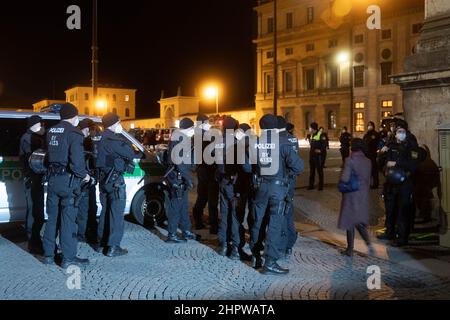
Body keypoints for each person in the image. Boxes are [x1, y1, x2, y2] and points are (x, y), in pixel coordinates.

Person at [248, 114, 303, 275]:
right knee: (274, 224)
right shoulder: (283, 142)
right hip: (277, 188)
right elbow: (298, 167)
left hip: (260, 187)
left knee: (257, 221)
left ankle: (255, 255)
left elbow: (246, 166)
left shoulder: (255, 142)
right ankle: (270, 262)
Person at [42, 103, 91, 268]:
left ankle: (48, 255)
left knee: (52, 218)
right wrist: (84, 175)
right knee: (69, 220)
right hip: (68, 181)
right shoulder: (74, 133)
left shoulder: (51, 131)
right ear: (74, 116)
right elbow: (76, 161)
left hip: (53, 179)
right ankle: (68, 258)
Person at [96, 113, 141, 257]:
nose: (120, 125)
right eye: (119, 122)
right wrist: (124, 135)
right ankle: (113, 247)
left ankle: (101, 242)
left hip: (104, 180)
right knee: (116, 214)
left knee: (105, 211)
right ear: (114, 124)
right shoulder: (113, 139)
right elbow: (131, 153)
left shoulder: (101, 138)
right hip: (115, 181)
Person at [377, 121, 420, 246]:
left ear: (406, 133)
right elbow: (381, 162)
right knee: (390, 209)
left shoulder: (412, 146)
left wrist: (397, 164)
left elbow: (414, 165)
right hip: (391, 183)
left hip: (404, 183)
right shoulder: (391, 145)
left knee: (402, 210)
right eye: (398, 131)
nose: (400, 134)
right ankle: (389, 232)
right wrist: (382, 153)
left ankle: (402, 238)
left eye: (402, 131)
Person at [338, 138, 374, 257]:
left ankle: (350, 249)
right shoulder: (368, 161)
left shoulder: (350, 160)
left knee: (350, 222)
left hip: (351, 194)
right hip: (363, 194)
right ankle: (368, 244)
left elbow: (345, 178)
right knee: (358, 221)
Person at [164, 118, 197, 243]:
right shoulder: (180, 139)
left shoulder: (179, 137)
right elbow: (179, 163)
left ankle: (186, 230)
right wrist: (188, 179)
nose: (193, 130)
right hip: (178, 177)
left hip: (179, 176)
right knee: (176, 206)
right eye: (192, 128)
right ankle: (171, 234)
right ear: (188, 129)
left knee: (183, 205)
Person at [277, 116, 303, 258]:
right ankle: (288, 243)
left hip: (280, 180)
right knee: (288, 210)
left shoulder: (279, 140)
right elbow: (297, 164)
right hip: (290, 179)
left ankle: (283, 243)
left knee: (279, 213)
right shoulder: (292, 139)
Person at [20, 115, 46, 255]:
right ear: (34, 125)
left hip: (34, 179)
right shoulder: (29, 138)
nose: (42, 126)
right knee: (35, 211)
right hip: (32, 179)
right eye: (40, 124)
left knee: (35, 211)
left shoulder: (31, 137)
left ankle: (34, 239)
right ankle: (33, 242)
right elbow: (34, 157)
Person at [216, 116, 241, 260]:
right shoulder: (236, 142)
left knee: (224, 214)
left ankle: (224, 245)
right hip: (233, 183)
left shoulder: (218, 141)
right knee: (235, 216)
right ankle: (235, 250)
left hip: (222, 181)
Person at [192, 114, 219, 234]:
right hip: (209, 171)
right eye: (207, 122)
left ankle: (198, 221)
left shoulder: (195, 135)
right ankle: (214, 226)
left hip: (201, 170)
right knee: (212, 200)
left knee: (202, 196)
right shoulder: (206, 136)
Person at [76, 119, 99, 243]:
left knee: (91, 206)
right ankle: (82, 233)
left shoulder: (88, 140)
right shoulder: (80, 140)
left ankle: (89, 230)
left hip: (90, 179)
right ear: (87, 129)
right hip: (84, 179)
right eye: (92, 129)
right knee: (83, 208)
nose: (93, 132)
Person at [235, 123, 254, 260]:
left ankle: (240, 242)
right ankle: (254, 239)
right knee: (252, 214)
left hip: (242, 184)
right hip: (251, 184)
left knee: (239, 215)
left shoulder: (239, 144)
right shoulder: (254, 142)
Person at [308, 122, 326, 191]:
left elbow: (324, 144)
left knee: (319, 171)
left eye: (310, 127)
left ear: (313, 128)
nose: (309, 129)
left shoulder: (321, 134)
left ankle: (320, 186)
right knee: (312, 171)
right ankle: (311, 185)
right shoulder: (312, 135)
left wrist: (320, 150)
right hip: (312, 155)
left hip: (318, 156)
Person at [363, 121, 381, 189]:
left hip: (373, 154)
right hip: (366, 154)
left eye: (371, 125)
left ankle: (375, 184)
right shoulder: (366, 135)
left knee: (374, 170)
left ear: (373, 126)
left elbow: (376, 144)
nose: (369, 126)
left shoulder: (375, 134)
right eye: (368, 125)